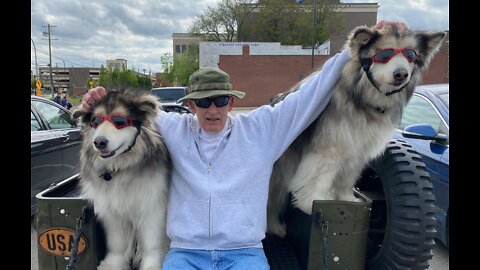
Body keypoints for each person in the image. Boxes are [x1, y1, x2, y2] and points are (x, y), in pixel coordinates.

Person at [80, 20, 404, 270]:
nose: (212, 109)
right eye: (203, 102)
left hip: (244, 254)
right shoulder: (173, 130)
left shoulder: (262, 128)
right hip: (186, 254)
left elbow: (312, 95)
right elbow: (126, 114)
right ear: (190, 106)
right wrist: (101, 98)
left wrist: (359, 48)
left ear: (231, 103)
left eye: (220, 100)